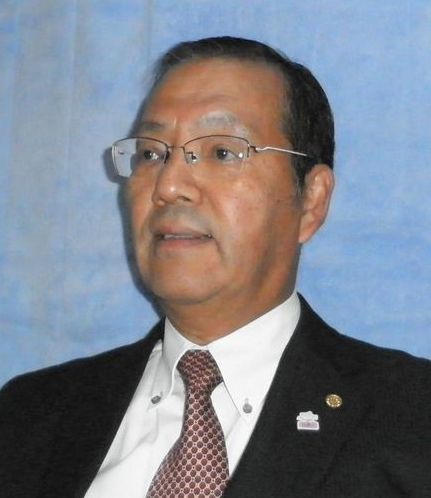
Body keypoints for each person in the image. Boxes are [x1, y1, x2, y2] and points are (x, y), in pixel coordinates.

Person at [1, 36, 430, 498]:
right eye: (151, 154)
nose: (169, 186)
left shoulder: (412, 418)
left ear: (311, 200)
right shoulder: (30, 415)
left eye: (222, 152)